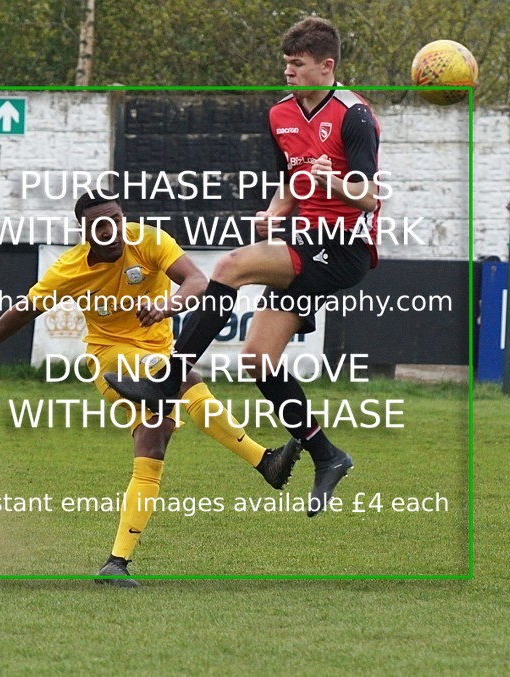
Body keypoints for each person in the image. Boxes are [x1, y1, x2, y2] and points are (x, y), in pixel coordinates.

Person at [0, 194, 301, 587]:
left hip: (159, 356)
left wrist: (167, 306)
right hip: (111, 362)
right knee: (183, 377)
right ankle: (263, 461)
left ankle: (116, 562)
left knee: (154, 444)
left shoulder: (147, 240)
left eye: (115, 219)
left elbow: (197, 281)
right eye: (99, 225)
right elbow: (24, 310)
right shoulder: (69, 269)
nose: (110, 230)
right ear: (85, 232)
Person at [105, 17, 381, 517]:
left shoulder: (355, 116)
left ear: (327, 66)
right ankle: (327, 455)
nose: (289, 71)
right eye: (286, 63)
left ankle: (167, 381)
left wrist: (332, 182)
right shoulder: (280, 114)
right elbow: (291, 182)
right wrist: (274, 212)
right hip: (305, 238)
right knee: (258, 358)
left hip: (345, 247)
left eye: (298, 64)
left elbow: (369, 197)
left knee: (231, 265)